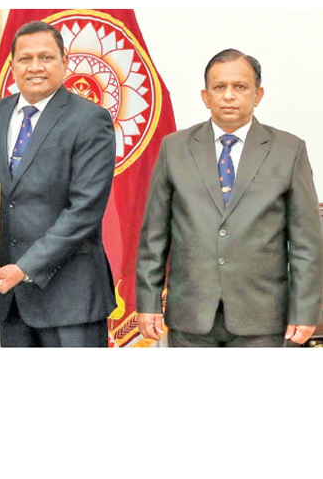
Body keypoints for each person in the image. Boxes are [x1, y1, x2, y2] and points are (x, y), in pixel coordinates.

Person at [136, 49, 323, 347]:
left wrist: (305, 309)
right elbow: (153, 236)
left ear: (258, 94)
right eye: (219, 87)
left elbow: (306, 243)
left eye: (240, 87)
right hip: (191, 316)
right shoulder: (174, 148)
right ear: (205, 96)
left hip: (263, 318)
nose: (229, 96)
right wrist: (147, 302)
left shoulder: (289, 150)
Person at [0, 21, 117, 347]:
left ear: (64, 63)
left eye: (46, 58)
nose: (35, 67)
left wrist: (24, 268)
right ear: (12, 65)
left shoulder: (90, 119)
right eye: (25, 59)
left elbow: (84, 211)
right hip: (11, 299)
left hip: (70, 297)